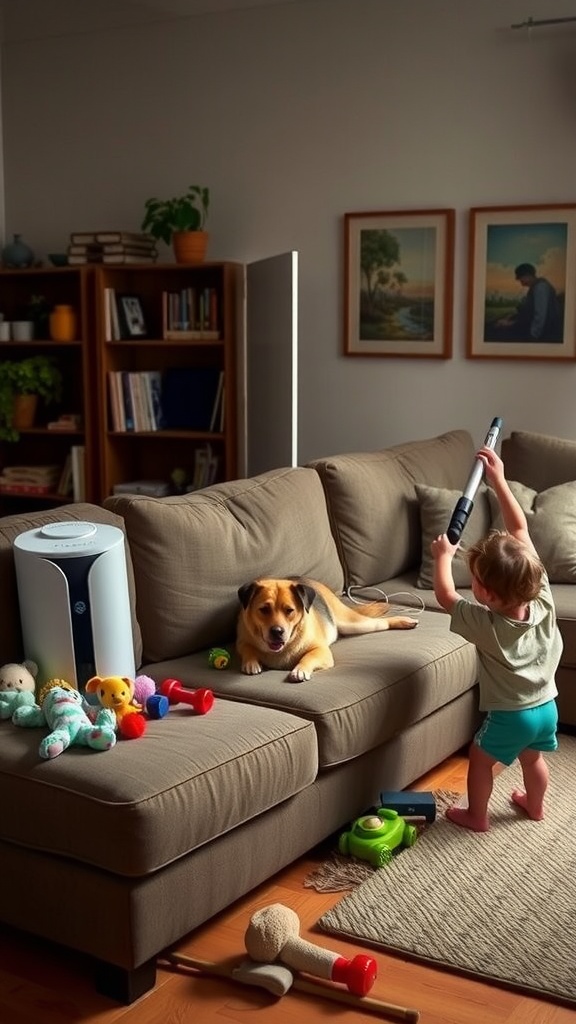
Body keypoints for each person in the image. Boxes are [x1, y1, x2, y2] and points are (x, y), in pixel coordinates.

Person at [431, 445, 562, 832]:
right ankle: (534, 806)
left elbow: (444, 596)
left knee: (480, 757)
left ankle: (476, 815)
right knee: (533, 759)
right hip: (548, 706)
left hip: (513, 714)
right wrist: (500, 481)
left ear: (485, 593)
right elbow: (519, 529)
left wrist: (442, 556)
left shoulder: (485, 624)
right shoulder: (542, 594)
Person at [495, 262, 562, 342]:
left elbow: (540, 316)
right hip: (540, 330)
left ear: (528, 276)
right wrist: (512, 318)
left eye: (521, 279)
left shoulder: (540, 288)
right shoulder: (536, 287)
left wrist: (532, 336)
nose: (521, 283)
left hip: (545, 334)